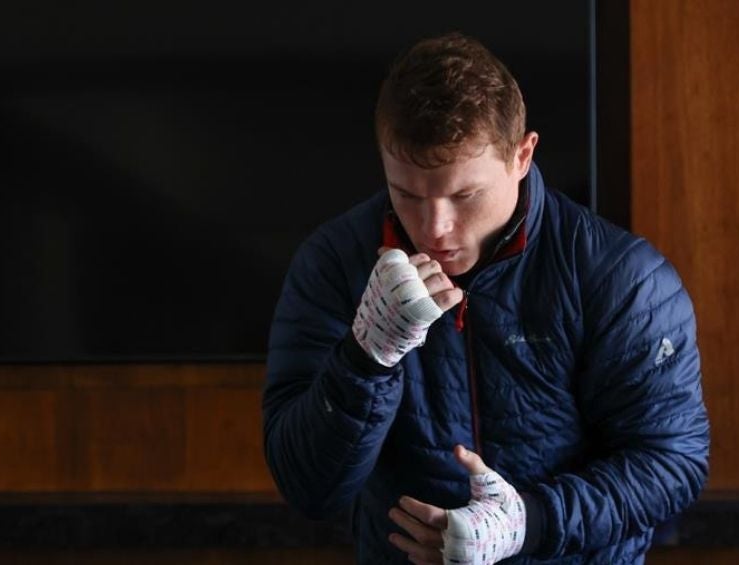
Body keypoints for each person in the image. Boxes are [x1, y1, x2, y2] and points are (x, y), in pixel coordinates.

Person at [262, 32, 709, 564]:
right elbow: (309, 489)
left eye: (465, 194)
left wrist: (529, 522)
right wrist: (365, 359)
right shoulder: (335, 265)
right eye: (406, 194)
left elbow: (672, 462)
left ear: (522, 156)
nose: (435, 228)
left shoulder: (619, 276)